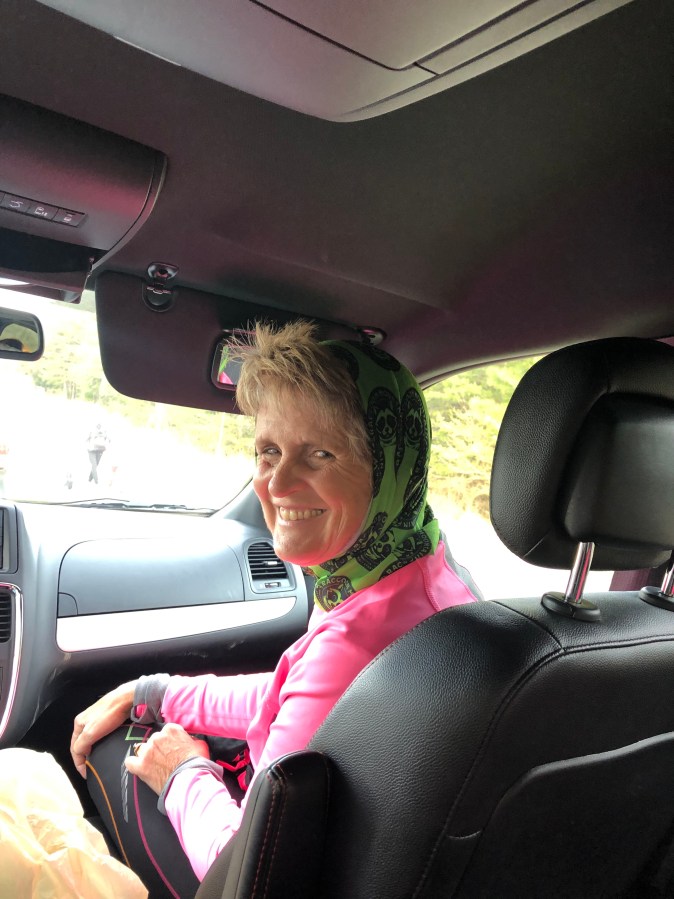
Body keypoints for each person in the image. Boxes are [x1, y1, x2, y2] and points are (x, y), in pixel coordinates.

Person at [70, 321, 479, 897]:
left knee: (118, 747)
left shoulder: (356, 646)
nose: (277, 484)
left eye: (320, 454)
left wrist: (181, 770)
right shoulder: (424, 568)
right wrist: (153, 692)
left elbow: (244, 863)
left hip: (265, 871)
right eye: (268, 451)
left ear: (388, 465)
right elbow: (295, 695)